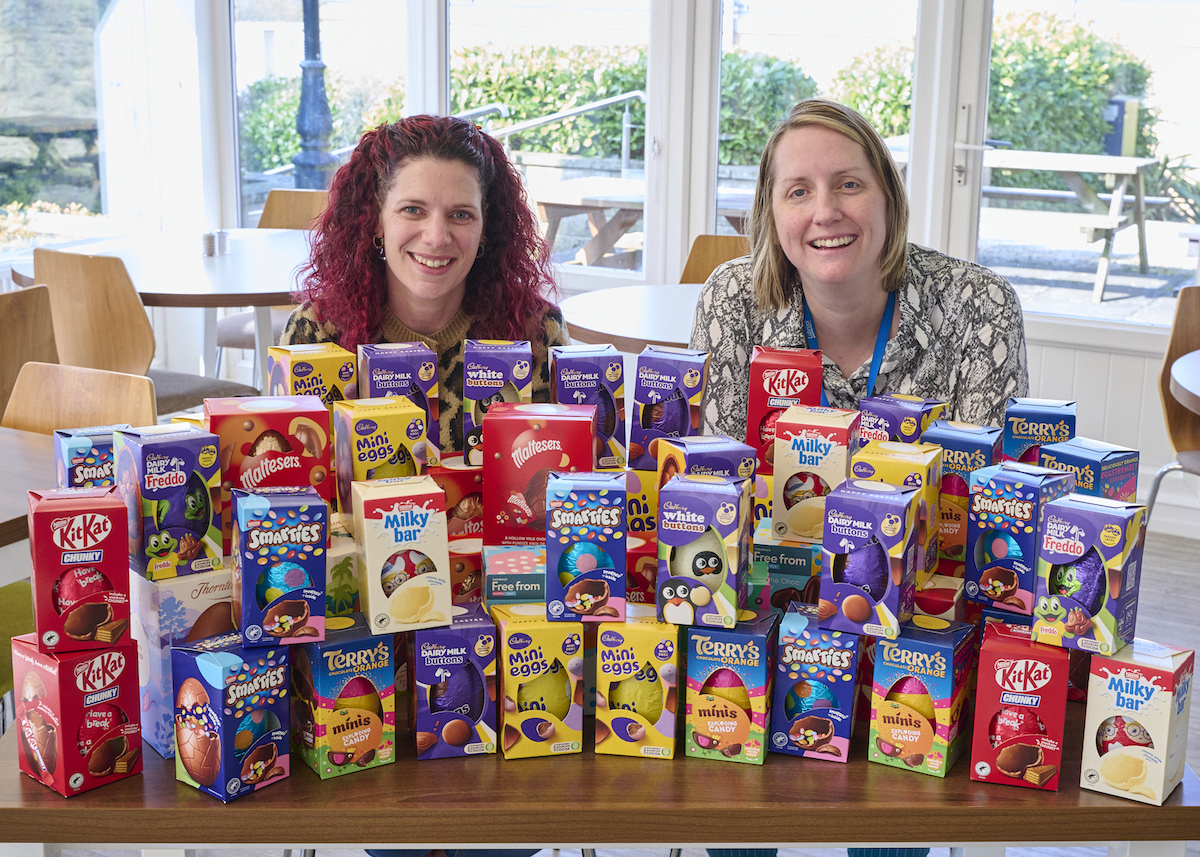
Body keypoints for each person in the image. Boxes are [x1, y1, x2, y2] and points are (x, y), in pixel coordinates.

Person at [690, 98, 1028, 440]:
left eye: (849, 184)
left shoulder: (982, 303)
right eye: (798, 192)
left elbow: (982, 486)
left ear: (889, 200)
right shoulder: (731, 297)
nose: (825, 213)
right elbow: (714, 477)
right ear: (772, 216)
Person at [281, 114, 570, 454]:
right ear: (376, 219)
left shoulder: (535, 330)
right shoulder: (317, 332)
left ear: (486, 225)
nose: (436, 238)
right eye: (413, 210)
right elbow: (298, 490)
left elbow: (562, 478)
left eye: (461, 214)